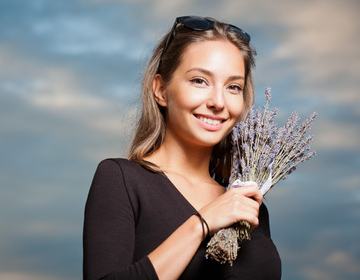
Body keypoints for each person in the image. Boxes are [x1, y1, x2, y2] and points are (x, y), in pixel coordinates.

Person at [83, 16, 281, 280]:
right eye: (199, 80)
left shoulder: (246, 203)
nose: (218, 102)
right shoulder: (121, 180)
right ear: (161, 90)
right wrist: (201, 224)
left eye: (233, 87)